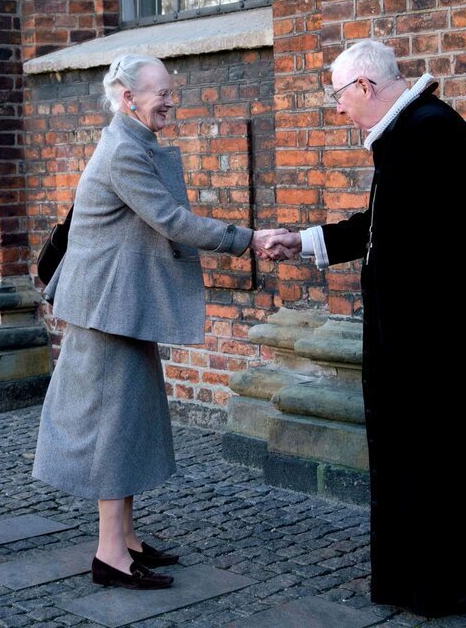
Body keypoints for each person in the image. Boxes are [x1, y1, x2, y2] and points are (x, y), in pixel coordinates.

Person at [267, 39, 466, 616]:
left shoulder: (427, 130)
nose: (337, 110)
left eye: (339, 96)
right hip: (419, 334)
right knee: (434, 455)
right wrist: (306, 241)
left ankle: (444, 586)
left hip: (434, 338)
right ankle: (443, 579)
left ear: (365, 87)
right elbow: (382, 223)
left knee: (436, 457)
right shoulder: (408, 132)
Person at [33, 53, 290, 590]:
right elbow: (170, 221)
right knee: (112, 427)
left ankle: (124, 538)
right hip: (106, 310)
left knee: (129, 421)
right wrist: (250, 239)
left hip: (121, 306)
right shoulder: (124, 150)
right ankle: (110, 555)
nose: (171, 100)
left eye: (171, 91)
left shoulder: (133, 141)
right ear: (129, 98)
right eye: (161, 92)